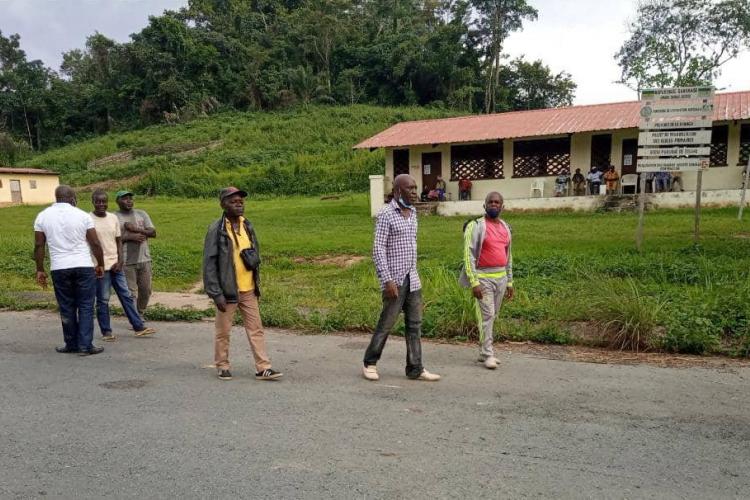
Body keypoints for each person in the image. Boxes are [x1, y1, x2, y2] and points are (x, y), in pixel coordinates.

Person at [363, 174, 441, 382]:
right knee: (386, 323)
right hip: (394, 280)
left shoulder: (413, 212)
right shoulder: (386, 214)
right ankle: (370, 363)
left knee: (414, 324)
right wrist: (387, 280)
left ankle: (415, 368)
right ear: (398, 191)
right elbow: (378, 249)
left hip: (412, 278)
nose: (415, 192)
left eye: (416, 188)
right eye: (410, 188)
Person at [203, 186, 282, 381]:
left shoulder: (247, 225)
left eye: (241, 201)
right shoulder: (217, 229)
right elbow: (209, 263)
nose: (239, 204)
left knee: (256, 328)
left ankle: (263, 367)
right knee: (223, 331)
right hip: (227, 290)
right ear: (223, 205)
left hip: (249, 289)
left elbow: (254, 251)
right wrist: (216, 293)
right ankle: (222, 365)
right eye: (233, 201)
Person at [34, 185, 106, 356]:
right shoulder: (82, 215)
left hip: (59, 267)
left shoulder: (42, 216)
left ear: (56, 197)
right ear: (72, 198)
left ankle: (71, 343)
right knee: (86, 306)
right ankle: (85, 345)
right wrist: (100, 264)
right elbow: (95, 243)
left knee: (66, 306)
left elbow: (39, 245)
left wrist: (40, 269)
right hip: (83, 266)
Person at [90, 189, 156, 341]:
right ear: (93, 202)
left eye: (103, 201)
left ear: (107, 202)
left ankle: (138, 326)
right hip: (100, 266)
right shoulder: (88, 219)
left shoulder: (112, 218)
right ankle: (107, 332)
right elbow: (91, 243)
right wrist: (97, 264)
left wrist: (119, 261)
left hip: (117, 264)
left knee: (126, 296)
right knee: (103, 299)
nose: (101, 204)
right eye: (98, 201)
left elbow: (118, 240)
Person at [459, 192, 514, 369]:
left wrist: (510, 281)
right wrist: (474, 281)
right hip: (483, 277)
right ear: (484, 205)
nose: (493, 204)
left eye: (497, 202)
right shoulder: (476, 226)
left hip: (501, 277)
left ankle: (484, 352)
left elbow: (509, 255)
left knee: (493, 315)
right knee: (487, 315)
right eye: (490, 202)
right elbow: (468, 255)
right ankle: (489, 353)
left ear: (502, 206)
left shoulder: (505, 227)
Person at [115, 190, 156, 319]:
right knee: (130, 292)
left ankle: (140, 312)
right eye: (124, 198)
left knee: (146, 290)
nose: (129, 201)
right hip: (126, 260)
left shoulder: (141, 214)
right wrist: (128, 237)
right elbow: (110, 239)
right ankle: (134, 318)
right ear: (117, 201)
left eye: (130, 198)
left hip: (144, 258)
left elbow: (153, 233)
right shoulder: (114, 217)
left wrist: (135, 229)